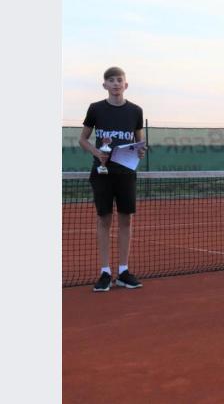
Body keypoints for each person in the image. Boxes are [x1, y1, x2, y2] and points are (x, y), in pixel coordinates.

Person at [78, 66, 147, 292]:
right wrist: (97, 152)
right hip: (102, 173)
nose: (115, 83)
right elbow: (83, 139)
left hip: (126, 173)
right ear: (104, 85)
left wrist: (141, 150)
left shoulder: (136, 111)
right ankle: (105, 272)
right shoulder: (95, 109)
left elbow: (139, 142)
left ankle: (123, 271)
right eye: (111, 80)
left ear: (125, 85)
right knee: (104, 220)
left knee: (126, 220)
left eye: (119, 80)